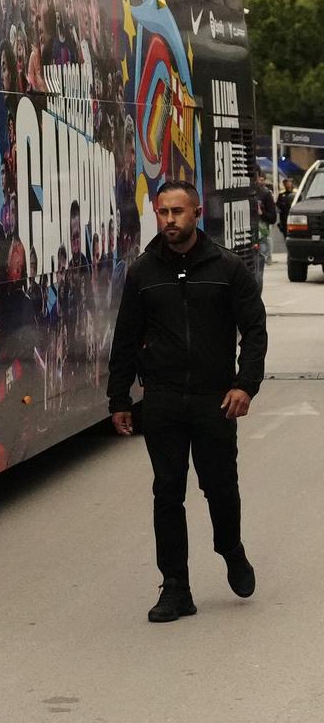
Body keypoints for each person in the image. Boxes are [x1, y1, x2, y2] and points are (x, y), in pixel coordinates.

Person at [106, 180, 267, 623]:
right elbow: (125, 339)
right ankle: (176, 586)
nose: (170, 220)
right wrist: (119, 397)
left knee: (219, 487)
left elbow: (254, 331)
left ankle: (230, 548)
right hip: (162, 400)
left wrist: (244, 385)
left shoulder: (227, 268)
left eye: (178, 212)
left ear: (197, 213)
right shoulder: (143, 272)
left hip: (215, 401)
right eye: (163, 212)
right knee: (167, 492)